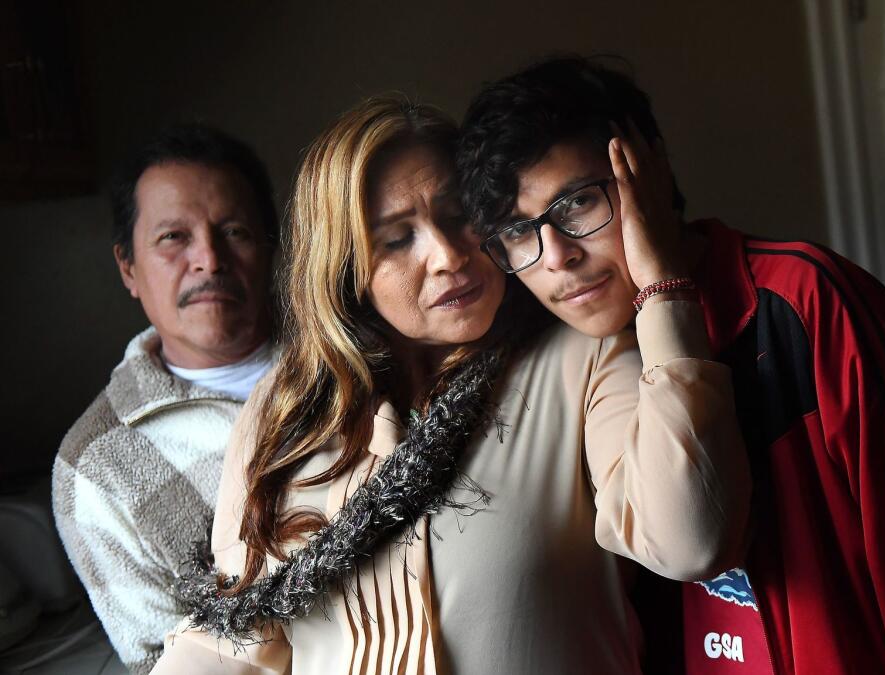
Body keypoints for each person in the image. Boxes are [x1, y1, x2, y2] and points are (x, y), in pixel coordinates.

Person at [458, 56, 885, 674]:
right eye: (520, 232)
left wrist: (660, 285)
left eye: (577, 204)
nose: (557, 257)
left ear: (650, 168)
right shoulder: (577, 374)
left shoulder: (802, 301)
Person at [151, 95, 750, 674]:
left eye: (459, 217)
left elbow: (691, 542)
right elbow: (234, 644)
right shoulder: (287, 409)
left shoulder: (581, 356)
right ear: (345, 270)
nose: (446, 255)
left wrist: (663, 289)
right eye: (397, 238)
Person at [51, 124, 278, 674]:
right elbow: (162, 662)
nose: (210, 259)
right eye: (174, 237)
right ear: (128, 268)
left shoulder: (357, 355)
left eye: (234, 231)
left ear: (271, 246)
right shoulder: (95, 466)